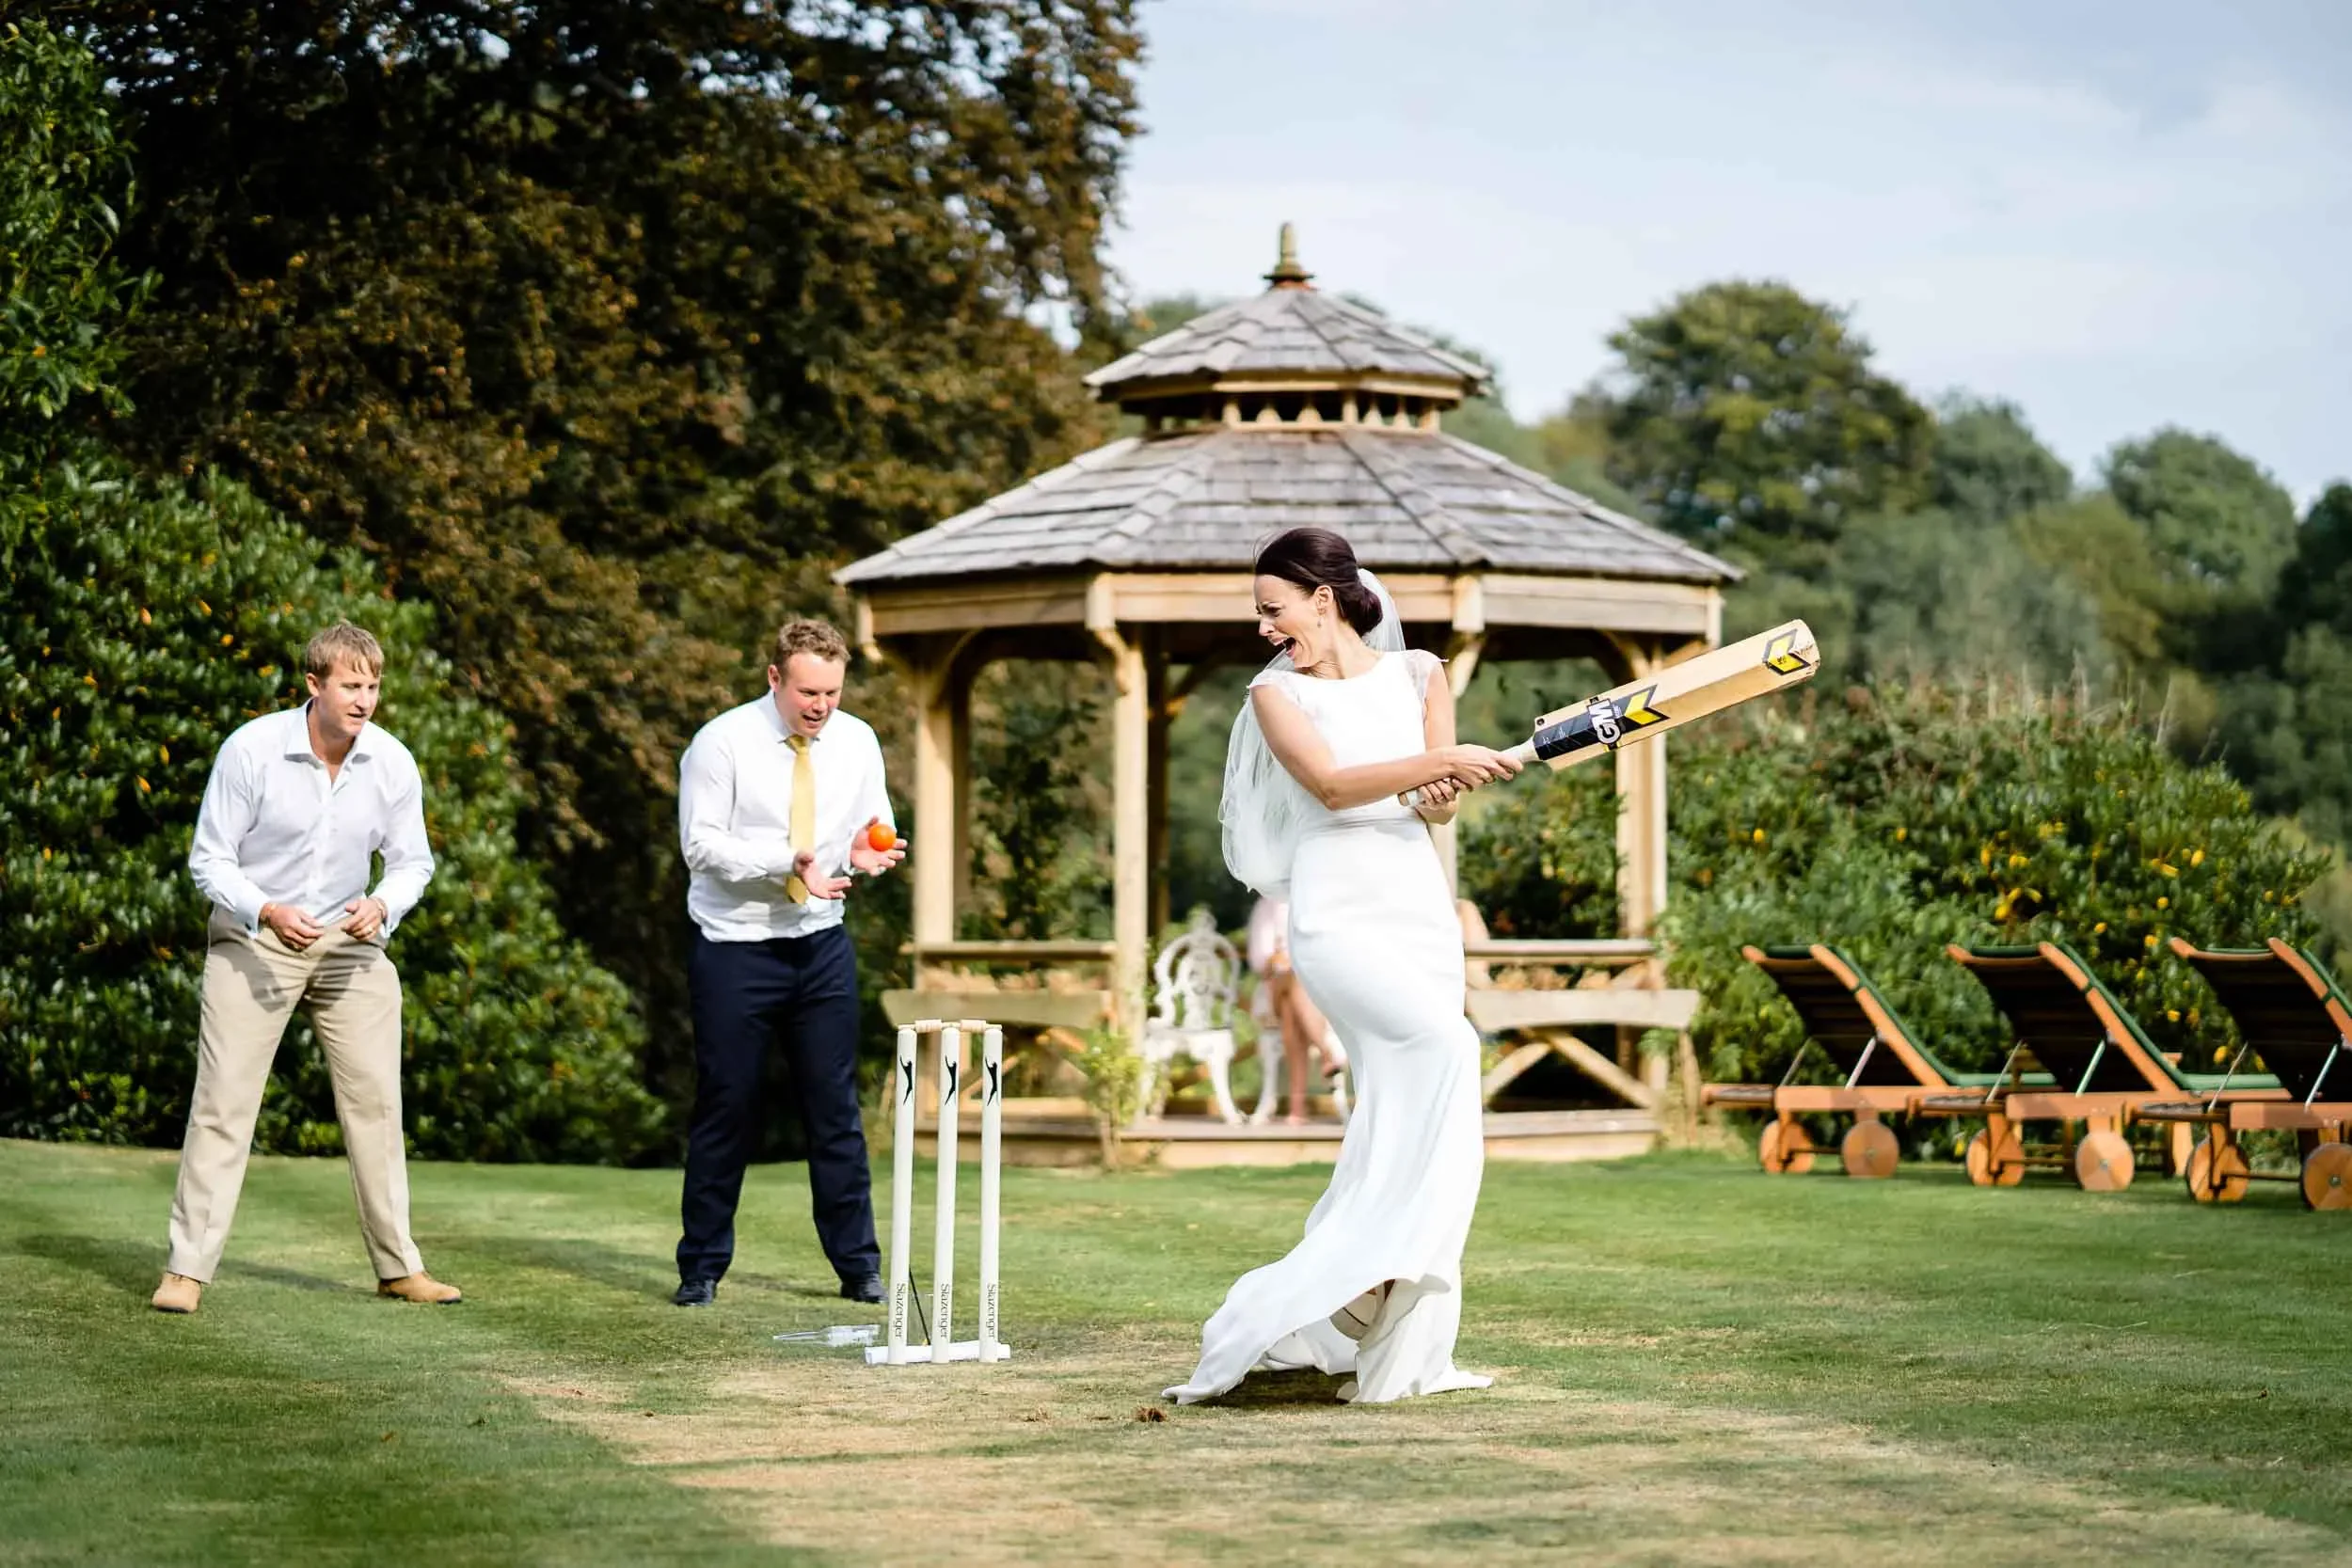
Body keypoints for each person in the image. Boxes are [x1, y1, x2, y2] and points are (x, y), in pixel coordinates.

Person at [1166, 527, 1519, 1405]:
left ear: (1323, 601)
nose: (1263, 628)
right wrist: (1438, 762)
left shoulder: (1422, 674)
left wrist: (1440, 791)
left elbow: (1431, 812)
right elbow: (1331, 785)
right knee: (1449, 1051)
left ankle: (1386, 1316)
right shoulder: (1273, 695)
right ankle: (1359, 1288)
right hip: (1338, 913)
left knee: (1400, 1111)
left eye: (1272, 609)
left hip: (1414, 907)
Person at [152, 622, 459, 1314]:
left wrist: (383, 904)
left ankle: (397, 1267)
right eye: (351, 685)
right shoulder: (251, 750)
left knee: (378, 1106)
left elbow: (413, 863)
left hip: (351, 948)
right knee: (225, 1104)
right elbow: (210, 859)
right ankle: (186, 1269)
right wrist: (266, 910)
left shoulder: (392, 762)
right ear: (314, 685)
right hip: (255, 939)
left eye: (374, 686)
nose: (365, 700)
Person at [673, 618, 906, 1307]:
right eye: (808, 690)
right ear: (775, 677)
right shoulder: (721, 744)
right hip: (733, 946)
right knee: (727, 1107)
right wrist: (789, 863)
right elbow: (701, 846)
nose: (821, 705)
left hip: (820, 941)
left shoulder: (857, 740)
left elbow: (874, 822)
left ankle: (858, 1266)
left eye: (832, 691)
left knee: (835, 1110)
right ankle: (701, 1268)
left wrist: (869, 852)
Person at [1245, 895, 1337, 1125]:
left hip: (1310, 990)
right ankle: (1326, 1052)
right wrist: (1283, 959)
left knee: (1291, 1011)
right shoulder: (1265, 907)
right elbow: (1260, 961)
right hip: (1273, 987)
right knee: (1291, 980)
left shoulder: (1315, 903)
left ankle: (1297, 1110)